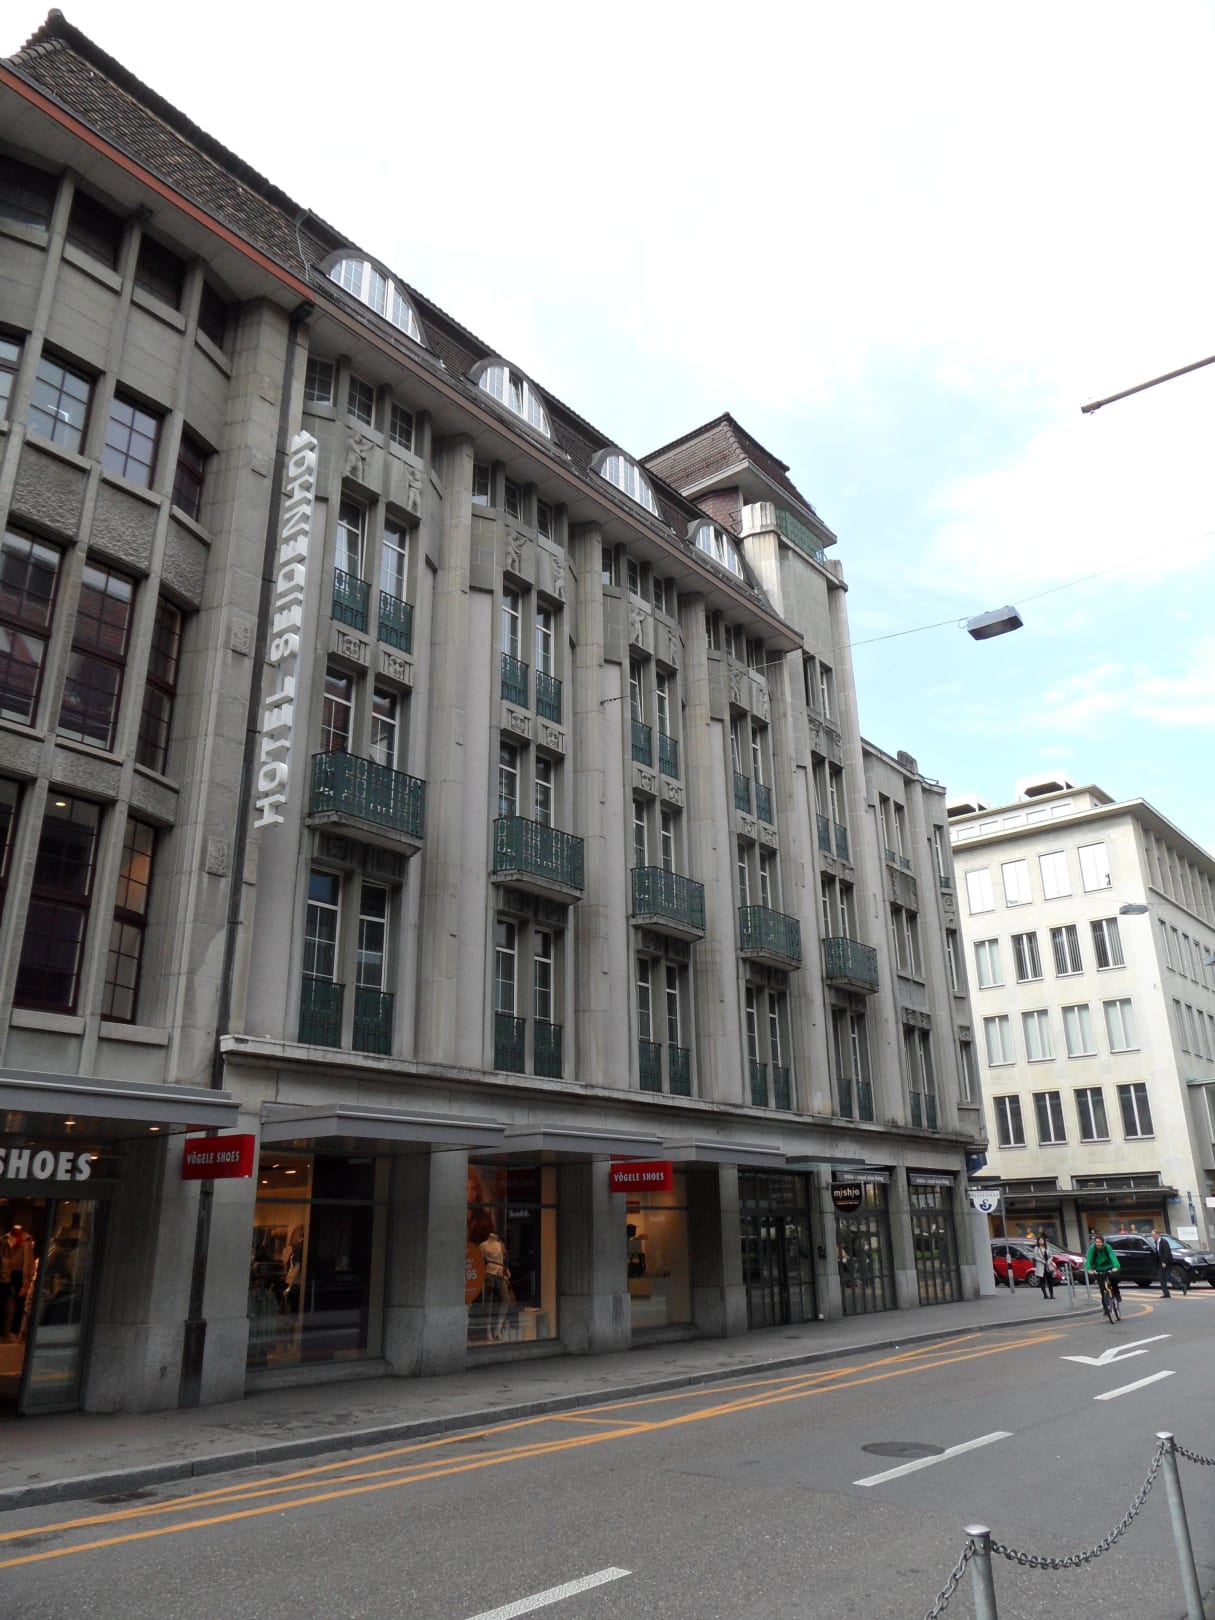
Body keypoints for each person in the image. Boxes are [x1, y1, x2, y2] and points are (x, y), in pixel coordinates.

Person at [479, 1224, 512, 1341]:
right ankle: (488, 1329)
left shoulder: (500, 1244)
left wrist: (506, 1271)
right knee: (489, 1302)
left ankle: (498, 1328)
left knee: (506, 1299)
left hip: (500, 1273)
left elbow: (505, 1259)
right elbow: (480, 1262)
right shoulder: (483, 1245)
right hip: (489, 1273)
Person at [1085, 1233, 1121, 1304]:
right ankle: (1105, 1307)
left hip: (1109, 1267)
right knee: (1102, 1288)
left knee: (1113, 1279)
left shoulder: (1107, 1247)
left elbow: (1113, 1257)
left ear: (1103, 1242)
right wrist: (1089, 1269)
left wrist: (1116, 1266)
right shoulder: (1092, 1249)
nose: (1098, 1244)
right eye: (1096, 1242)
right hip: (1099, 1269)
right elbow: (1089, 1260)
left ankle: (1117, 1294)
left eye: (1099, 1242)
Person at [1033, 1235, 1055, 1300]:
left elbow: (1051, 1256)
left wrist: (1049, 1261)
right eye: (1040, 1240)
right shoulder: (1036, 1248)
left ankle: (1051, 1295)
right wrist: (1042, 1261)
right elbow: (1035, 1256)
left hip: (1048, 1266)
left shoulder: (1047, 1247)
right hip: (1041, 1266)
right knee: (1042, 1280)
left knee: (1050, 1280)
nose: (1041, 1241)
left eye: (1042, 1240)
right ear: (1038, 1241)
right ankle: (1045, 1295)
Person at [1153, 1228, 1172, 1299]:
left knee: (1167, 1277)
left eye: (1154, 1235)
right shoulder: (1156, 1242)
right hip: (1160, 1263)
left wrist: (1164, 1262)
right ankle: (1166, 1293)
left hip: (1165, 1262)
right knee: (1162, 1278)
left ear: (1158, 1234)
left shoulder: (1164, 1242)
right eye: (1152, 1235)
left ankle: (1182, 1286)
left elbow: (1166, 1253)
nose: (1153, 1237)